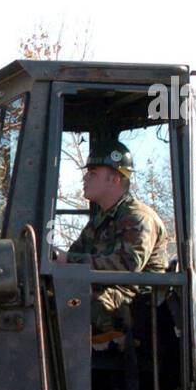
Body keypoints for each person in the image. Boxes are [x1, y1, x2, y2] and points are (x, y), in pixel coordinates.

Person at [66, 142, 169, 335]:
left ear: (114, 179)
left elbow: (127, 266)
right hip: (110, 291)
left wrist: (68, 260)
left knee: (77, 309)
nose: (85, 177)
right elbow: (74, 255)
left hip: (137, 300)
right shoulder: (100, 220)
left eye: (93, 173)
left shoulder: (138, 217)